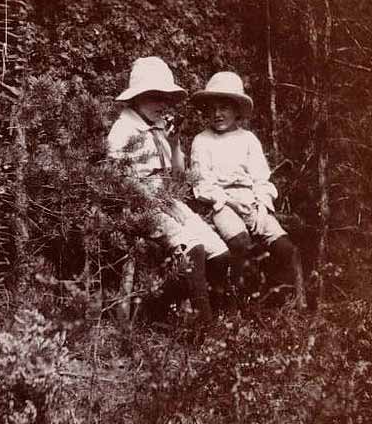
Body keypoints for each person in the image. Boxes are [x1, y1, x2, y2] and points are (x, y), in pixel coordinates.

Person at [107, 57, 230, 328]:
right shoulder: (123, 129)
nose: (161, 105)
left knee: (219, 252)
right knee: (192, 249)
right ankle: (203, 326)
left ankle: (163, 306)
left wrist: (174, 145)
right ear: (136, 98)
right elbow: (120, 181)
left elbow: (177, 177)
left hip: (168, 200)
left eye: (165, 98)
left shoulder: (162, 129)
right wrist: (154, 201)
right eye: (154, 97)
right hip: (140, 204)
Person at [190, 71, 307, 309]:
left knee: (287, 249)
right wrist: (231, 203)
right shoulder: (202, 141)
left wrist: (262, 207)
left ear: (237, 110)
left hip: (252, 201)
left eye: (224, 107)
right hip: (221, 203)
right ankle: (233, 304)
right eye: (212, 108)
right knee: (241, 243)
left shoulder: (248, 139)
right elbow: (203, 184)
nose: (217, 114)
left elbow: (261, 178)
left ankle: (296, 303)